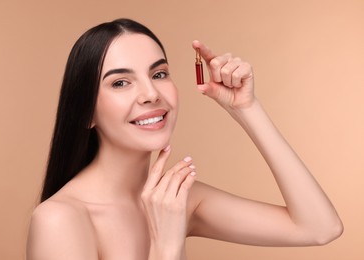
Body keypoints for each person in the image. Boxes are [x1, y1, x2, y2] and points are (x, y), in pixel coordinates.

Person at [26, 18, 343, 260]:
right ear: (86, 113)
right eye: (121, 82)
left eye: (159, 74)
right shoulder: (59, 220)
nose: (150, 94)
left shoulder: (176, 200)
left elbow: (320, 228)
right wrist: (165, 246)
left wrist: (247, 108)